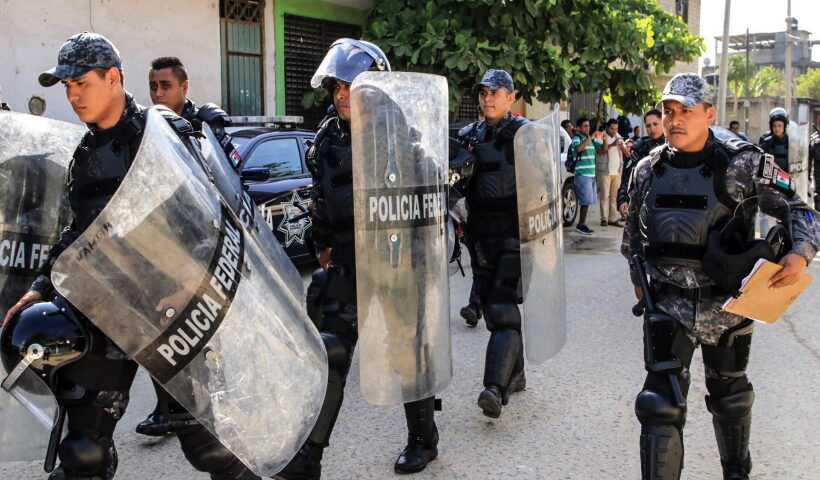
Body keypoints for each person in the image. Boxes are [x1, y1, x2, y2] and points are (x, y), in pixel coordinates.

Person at [2, 32, 259, 480]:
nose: (73, 94)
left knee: (211, 449)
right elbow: (79, 233)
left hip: (175, 312)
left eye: (81, 82)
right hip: (108, 309)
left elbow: (219, 215)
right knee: (84, 453)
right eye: (67, 86)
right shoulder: (86, 155)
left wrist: (188, 282)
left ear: (114, 78)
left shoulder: (165, 136)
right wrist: (40, 286)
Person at [622, 72, 819, 480]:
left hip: (727, 304)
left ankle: (736, 472)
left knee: (730, 398)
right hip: (669, 304)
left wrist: (800, 253)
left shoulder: (744, 163)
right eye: (668, 111)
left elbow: (800, 209)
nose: (674, 120)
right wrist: (638, 276)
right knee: (658, 404)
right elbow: (634, 236)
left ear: (709, 114)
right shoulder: (646, 169)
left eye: (686, 112)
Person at [275, 38, 440, 480]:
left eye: (351, 85)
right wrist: (323, 246)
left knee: (407, 352)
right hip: (348, 257)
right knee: (331, 353)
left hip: (396, 257)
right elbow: (322, 200)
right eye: (336, 86)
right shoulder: (328, 138)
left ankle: (424, 439)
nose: (341, 94)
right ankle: (310, 458)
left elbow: (428, 201)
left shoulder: (399, 133)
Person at [136, 55, 239, 438]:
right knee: (161, 328)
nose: (158, 93)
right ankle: (167, 410)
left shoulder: (205, 125)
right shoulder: (147, 130)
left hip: (205, 246)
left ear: (184, 87)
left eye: (166, 86)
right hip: (166, 246)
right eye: (153, 86)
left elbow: (230, 180)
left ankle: (218, 401)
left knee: (207, 330)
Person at [454, 69, 528, 419]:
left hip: (516, 235)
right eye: (483, 93)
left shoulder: (527, 135)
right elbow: (449, 182)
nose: (487, 99)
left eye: (495, 92)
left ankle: (494, 388)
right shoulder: (468, 136)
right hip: (480, 234)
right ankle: (516, 373)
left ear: (511, 97)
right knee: (492, 308)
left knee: (500, 309)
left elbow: (546, 186)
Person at [617, 108, 665, 218]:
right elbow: (628, 177)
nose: (652, 129)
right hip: (643, 203)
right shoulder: (641, 147)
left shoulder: (675, 146)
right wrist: (623, 199)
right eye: (648, 126)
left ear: (663, 123)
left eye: (655, 124)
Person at [595, 118, 628, 227]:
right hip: (604, 170)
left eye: (616, 129)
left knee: (614, 196)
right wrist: (613, 144)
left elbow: (627, 153)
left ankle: (613, 219)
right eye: (612, 129)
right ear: (607, 127)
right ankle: (603, 219)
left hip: (617, 171)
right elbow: (600, 151)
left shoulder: (618, 136)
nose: (614, 131)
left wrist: (623, 146)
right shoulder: (600, 135)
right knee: (604, 195)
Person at [570, 117, 600, 235]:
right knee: (584, 200)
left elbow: (602, 150)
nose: (588, 128)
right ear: (578, 128)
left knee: (587, 201)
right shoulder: (576, 138)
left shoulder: (591, 140)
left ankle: (582, 224)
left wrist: (602, 139)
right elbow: (578, 148)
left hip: (591, 174)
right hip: (582, 174)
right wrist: (590, 138)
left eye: (588, 126)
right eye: (585, 126)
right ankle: (580, 225)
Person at [758, 107, 789, 172]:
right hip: (770, 179)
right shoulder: (766, 142)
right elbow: (760, 162)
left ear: (785, 126)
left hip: (788, 178)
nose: (777, 128)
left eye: (779, 125)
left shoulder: (791, 142)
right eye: (774, 126)